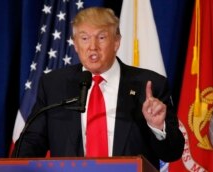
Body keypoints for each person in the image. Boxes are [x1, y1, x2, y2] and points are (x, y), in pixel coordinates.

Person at [12, 7, 184, 169]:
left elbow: (172, 152)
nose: (92, 47)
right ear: (75, 44)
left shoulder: (149, 85)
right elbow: (32, 142)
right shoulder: (54, 85)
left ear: (116, 42)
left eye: (101, 37)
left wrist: (158, 127)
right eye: (84, 38)